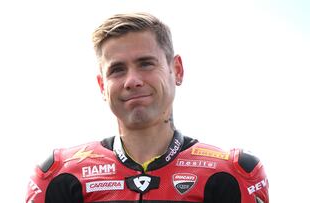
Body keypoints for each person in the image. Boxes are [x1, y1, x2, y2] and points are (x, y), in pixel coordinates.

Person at [26, 12, 269, 203]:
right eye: (117, 69)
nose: (132, 80)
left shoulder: (232, 175)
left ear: (177, 70)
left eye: (146, 64)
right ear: (102, 85)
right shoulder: (59, 176)